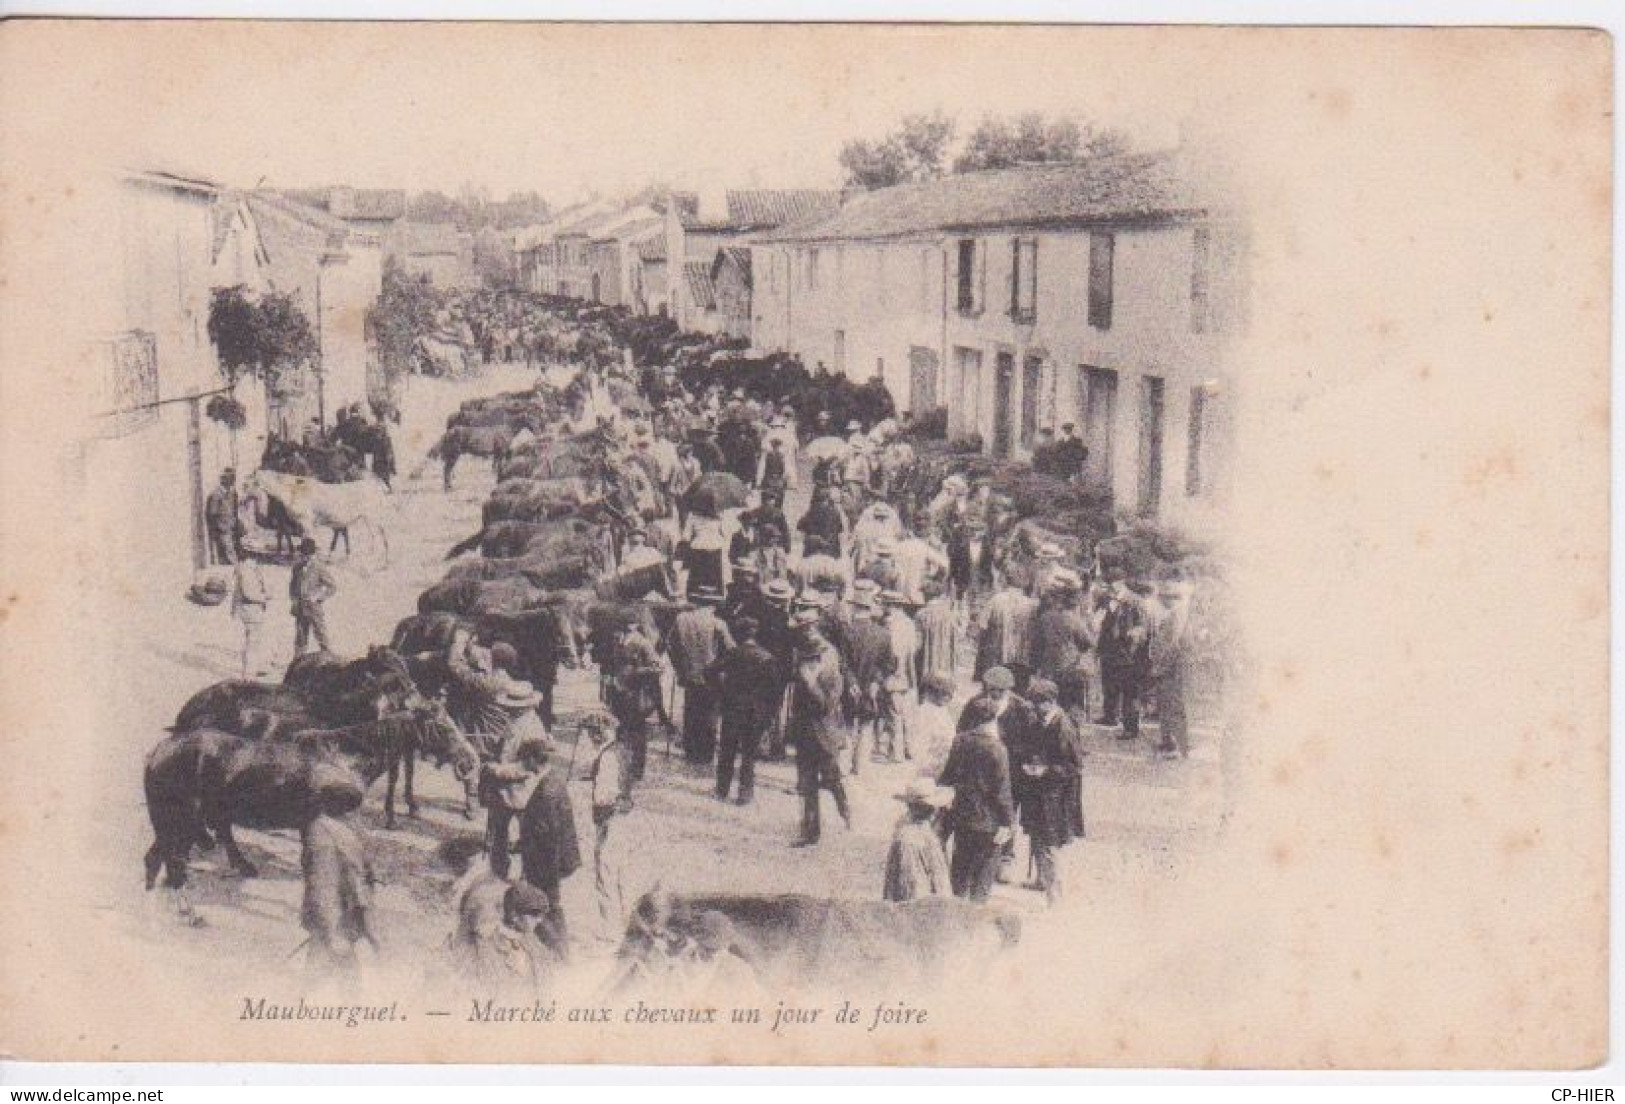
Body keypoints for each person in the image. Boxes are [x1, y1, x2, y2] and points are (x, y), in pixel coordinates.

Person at [299, 763, 377, 981]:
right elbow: (323, 885)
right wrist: (332, 928)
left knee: (319, 971)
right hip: (334, 919)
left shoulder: (338, 832)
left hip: (341, 916)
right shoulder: (324, 836)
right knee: (343, 974)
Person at [1016, 679, 1087, 905]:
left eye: (1038, 704)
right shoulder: (1042, 721)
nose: (1034, 709)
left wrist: (1044, 770)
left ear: (1051, 702)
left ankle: (1055, 897)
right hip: (1040, 793)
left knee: (1048, 844)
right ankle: (1041, 880)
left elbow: (1073, 767)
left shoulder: (1064, 727)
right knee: (1038, 838)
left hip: (1055, 797)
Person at [937, 700, 1015, 902]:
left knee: (960, 871)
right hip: (989, 822)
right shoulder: (997, 749)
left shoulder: (960, 741)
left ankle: (956, 913)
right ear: (993, 720)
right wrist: (1008, 822)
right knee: (982, 878)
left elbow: (947, 777)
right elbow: (1002, 791)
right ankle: (976, 917)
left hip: (962, 817)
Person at [787, 609, 852, 847]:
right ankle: (810, 831)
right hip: (805, 730)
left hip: (825, 731)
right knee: (806, 783)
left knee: (832, 778)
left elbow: (828, 703)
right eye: (800, 629)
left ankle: (844, 807)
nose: (804, 633)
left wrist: (811, 683)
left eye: (807, 628)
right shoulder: (802, 654)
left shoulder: (829, 659)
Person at [517, 738, 582, 948]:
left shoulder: (547, 792)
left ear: (535, 760)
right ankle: (557, 949)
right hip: (549, 859)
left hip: (546, 863)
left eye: (524, 760)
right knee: (549, 906)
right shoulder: (553, 780)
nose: (522, 765)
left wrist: (548, 873)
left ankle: (558, 951)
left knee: (547, 906)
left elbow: (549, 836)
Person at [709, 615, 782, 805]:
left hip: (732, 708)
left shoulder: (732, 654)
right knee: (749, 754)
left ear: (739, 634)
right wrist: (769, 713)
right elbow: (774, 690)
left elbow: (709, 672)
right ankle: (745, 794)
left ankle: (721, 789)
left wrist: (721, 690)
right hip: (755, 711)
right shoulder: (767, 657)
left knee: (727, 750)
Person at [477, 699, 550, 879]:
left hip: (522, 793)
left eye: (512, 706)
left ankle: (526, 880)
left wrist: (497, 770)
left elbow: (528, 768)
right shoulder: (515, 720)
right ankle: (498, 872)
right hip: (505, 792)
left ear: (523, 707)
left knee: (526, 839)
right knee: (499, 835)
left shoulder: (533, 730)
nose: (507, 709)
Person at [582, 711, 635, 944]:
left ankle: (611, 930)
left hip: (610, 820)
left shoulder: (606, 758)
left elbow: (602, 796)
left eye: (591, 733)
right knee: (623, 874)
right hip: (624, 819)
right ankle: (628, 922)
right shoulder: (622, 750)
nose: (589, 738)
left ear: (598, 733)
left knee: (605, 874)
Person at [669, 585, 734, 767]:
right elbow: (731, 650)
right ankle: (705, 754)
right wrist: (719, 666)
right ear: (713, 605)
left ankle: (691, 751)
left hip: (689, 673)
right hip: (711, 676)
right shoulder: (718, 623)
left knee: (691, 710)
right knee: (709, 713)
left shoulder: (681, 619)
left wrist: (679, 667)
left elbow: (670, 645)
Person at [606, 618, 668, 791]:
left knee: (638, 733)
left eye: (627, 625)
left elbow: (658, 667)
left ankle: (637, 769)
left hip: (636, 694)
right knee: (620, 730)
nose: (623, 629)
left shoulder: (643, 643)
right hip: (619, 694)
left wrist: (636, 672)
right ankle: (621, 764)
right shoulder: (617, 640)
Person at [842, 592, 897, 776]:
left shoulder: (845, 632)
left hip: (848, 686)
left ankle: (843, 764)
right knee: (866, 725)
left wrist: (850, 681)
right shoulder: (883, 634)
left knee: (847, 724)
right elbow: (889, 665)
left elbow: (842, 662)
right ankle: (860, 766)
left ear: (855, 607)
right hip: (871, 688)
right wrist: (876, 681)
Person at [1030, 570, 1095, 720]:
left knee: (1048, 709)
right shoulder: (1073, 619)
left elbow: (1036, 646)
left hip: (1048, 670)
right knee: (1070, 710)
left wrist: (1035, 668)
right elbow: (1087, 642)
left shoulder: (1045, 618)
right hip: (1070, 668)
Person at [882, 778, 954, 902]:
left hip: (914, 901)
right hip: (921, 904)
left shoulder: (909, 832)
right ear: (932, 810)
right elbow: (918, 883)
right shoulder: (918, 838)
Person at [1097, 582, 1150, 740]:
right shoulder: (1109, 601)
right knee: (1110, 686)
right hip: (1111, 652)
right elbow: (1104, 625)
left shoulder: (1135, 603)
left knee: (1129, 692)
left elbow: (1142, 628)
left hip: (1129, 655)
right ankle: (1110, 716)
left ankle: (1131, 727)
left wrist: (1131, 636)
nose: (1112, 592)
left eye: (1115, 589)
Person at [1149, 580, 1195, 759]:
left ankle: (1174, 745)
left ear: (1171, 598)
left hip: (1172, 669)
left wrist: (1160, 665)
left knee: (1172, 705)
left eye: (1164, 598)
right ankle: (1171, 742)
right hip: (1171, 667)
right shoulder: (1178, 613)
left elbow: (1173, 645)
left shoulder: (1177, 615)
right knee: (1167, 704)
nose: (1162, 601)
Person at [879, 590, 920, 762]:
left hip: (895, 674)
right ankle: (910, 748)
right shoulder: (909, 623)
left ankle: (896, 753)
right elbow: (915, 647)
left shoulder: (889, 624)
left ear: (890, 605)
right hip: (909, 674)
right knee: (908, 714)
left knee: (894, 714)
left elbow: (893, 652)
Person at [290, 537, 337, 656]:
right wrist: (294, 599)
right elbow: (292, 585)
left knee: (321, 635)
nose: (305, 557)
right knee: (300, 638)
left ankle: (328, 659)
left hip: (313, 607)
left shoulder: (318, 567)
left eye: (307, 554)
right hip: (300, 607)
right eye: (303, 554)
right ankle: (297, 661)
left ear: (312, 554)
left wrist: (317, 596)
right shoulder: (297, 567)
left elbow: (332, 586)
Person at [915, 579, 960, 693]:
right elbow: (956, 638)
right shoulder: (950, 614)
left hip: (928, 660)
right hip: (945, 659)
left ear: (927, 595)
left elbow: (918, 643)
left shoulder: (922, 614)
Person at [230, 557, 271, 678]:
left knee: (253, 642)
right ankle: (249, 674)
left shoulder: (246, 568)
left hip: (249, 610)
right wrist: (266, 596)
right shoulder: (248, 571)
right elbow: (249, 594)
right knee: (252, 643)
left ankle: (252, 669)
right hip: (251, 610)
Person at [913, 673, 958, 778]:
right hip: (930, 762)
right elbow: (920, 743)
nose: (948, 699)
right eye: (945, 694)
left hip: (944, 759)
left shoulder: (942, 710)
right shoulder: (925, 712)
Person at [204, 468, 241, 565]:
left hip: (231, 529)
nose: (233, 480)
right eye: (230, 478)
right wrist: (220, 529)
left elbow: (235, 512)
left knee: (232, 555)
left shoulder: (233, 494)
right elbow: (212, 515)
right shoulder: (216, 495)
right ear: (224, 480)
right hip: (222, 531)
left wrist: (235, 525)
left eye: (233, 478)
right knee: (228, 557)